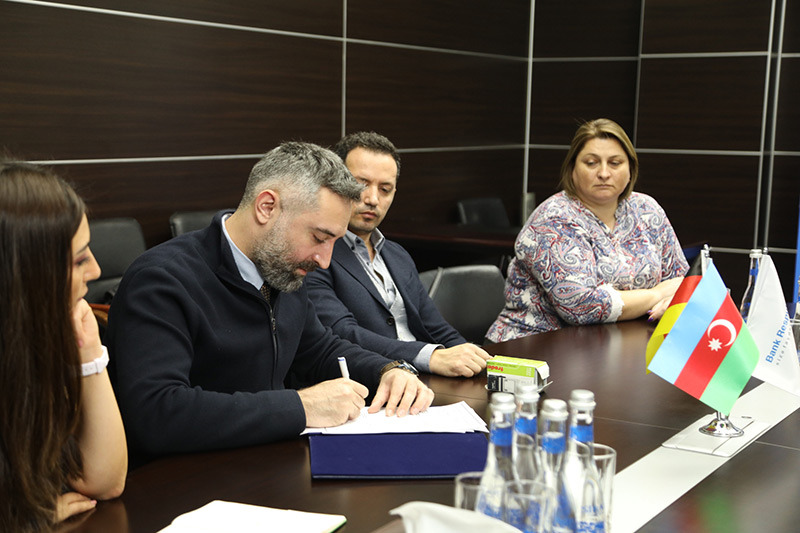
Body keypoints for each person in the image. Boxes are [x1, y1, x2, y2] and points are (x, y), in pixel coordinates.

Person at [106, 142, 434, 465]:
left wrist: (386, 371)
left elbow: (318, 349)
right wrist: (301, 407)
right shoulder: (161, 280)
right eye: (319, 238)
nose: (324, 260)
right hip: (186, 477)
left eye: (334, 242)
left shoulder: (281, 268)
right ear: (266, 207)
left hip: (268, 461)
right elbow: (157, 413)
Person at [0, 162, 127, 532]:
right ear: (26, 273)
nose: (96, 270)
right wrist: (19, 522)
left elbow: (105, 481)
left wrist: (89, 357)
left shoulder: (36, 343)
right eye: (79, 259)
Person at [306, 132, 491, 377]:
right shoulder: (316, 253)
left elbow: (436, 328)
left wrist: (480, 363)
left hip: (425, 378)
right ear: (335, 184)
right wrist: (429, 356)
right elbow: (342, 333)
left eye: (385, 189)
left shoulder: (397, 254)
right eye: (361, 185)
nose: (373, 199)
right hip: (370, 381)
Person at [487, 119, 688, 342]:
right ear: (572, 170)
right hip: (533, 347)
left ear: (630, 170)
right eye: (592, 163)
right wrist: (656, 294)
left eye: (615, 163)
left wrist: (672, 298)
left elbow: (682, 282)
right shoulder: (554, 218)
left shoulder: (647, 209)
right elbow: (581, 307)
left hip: (619, 343)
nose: (604, 173)